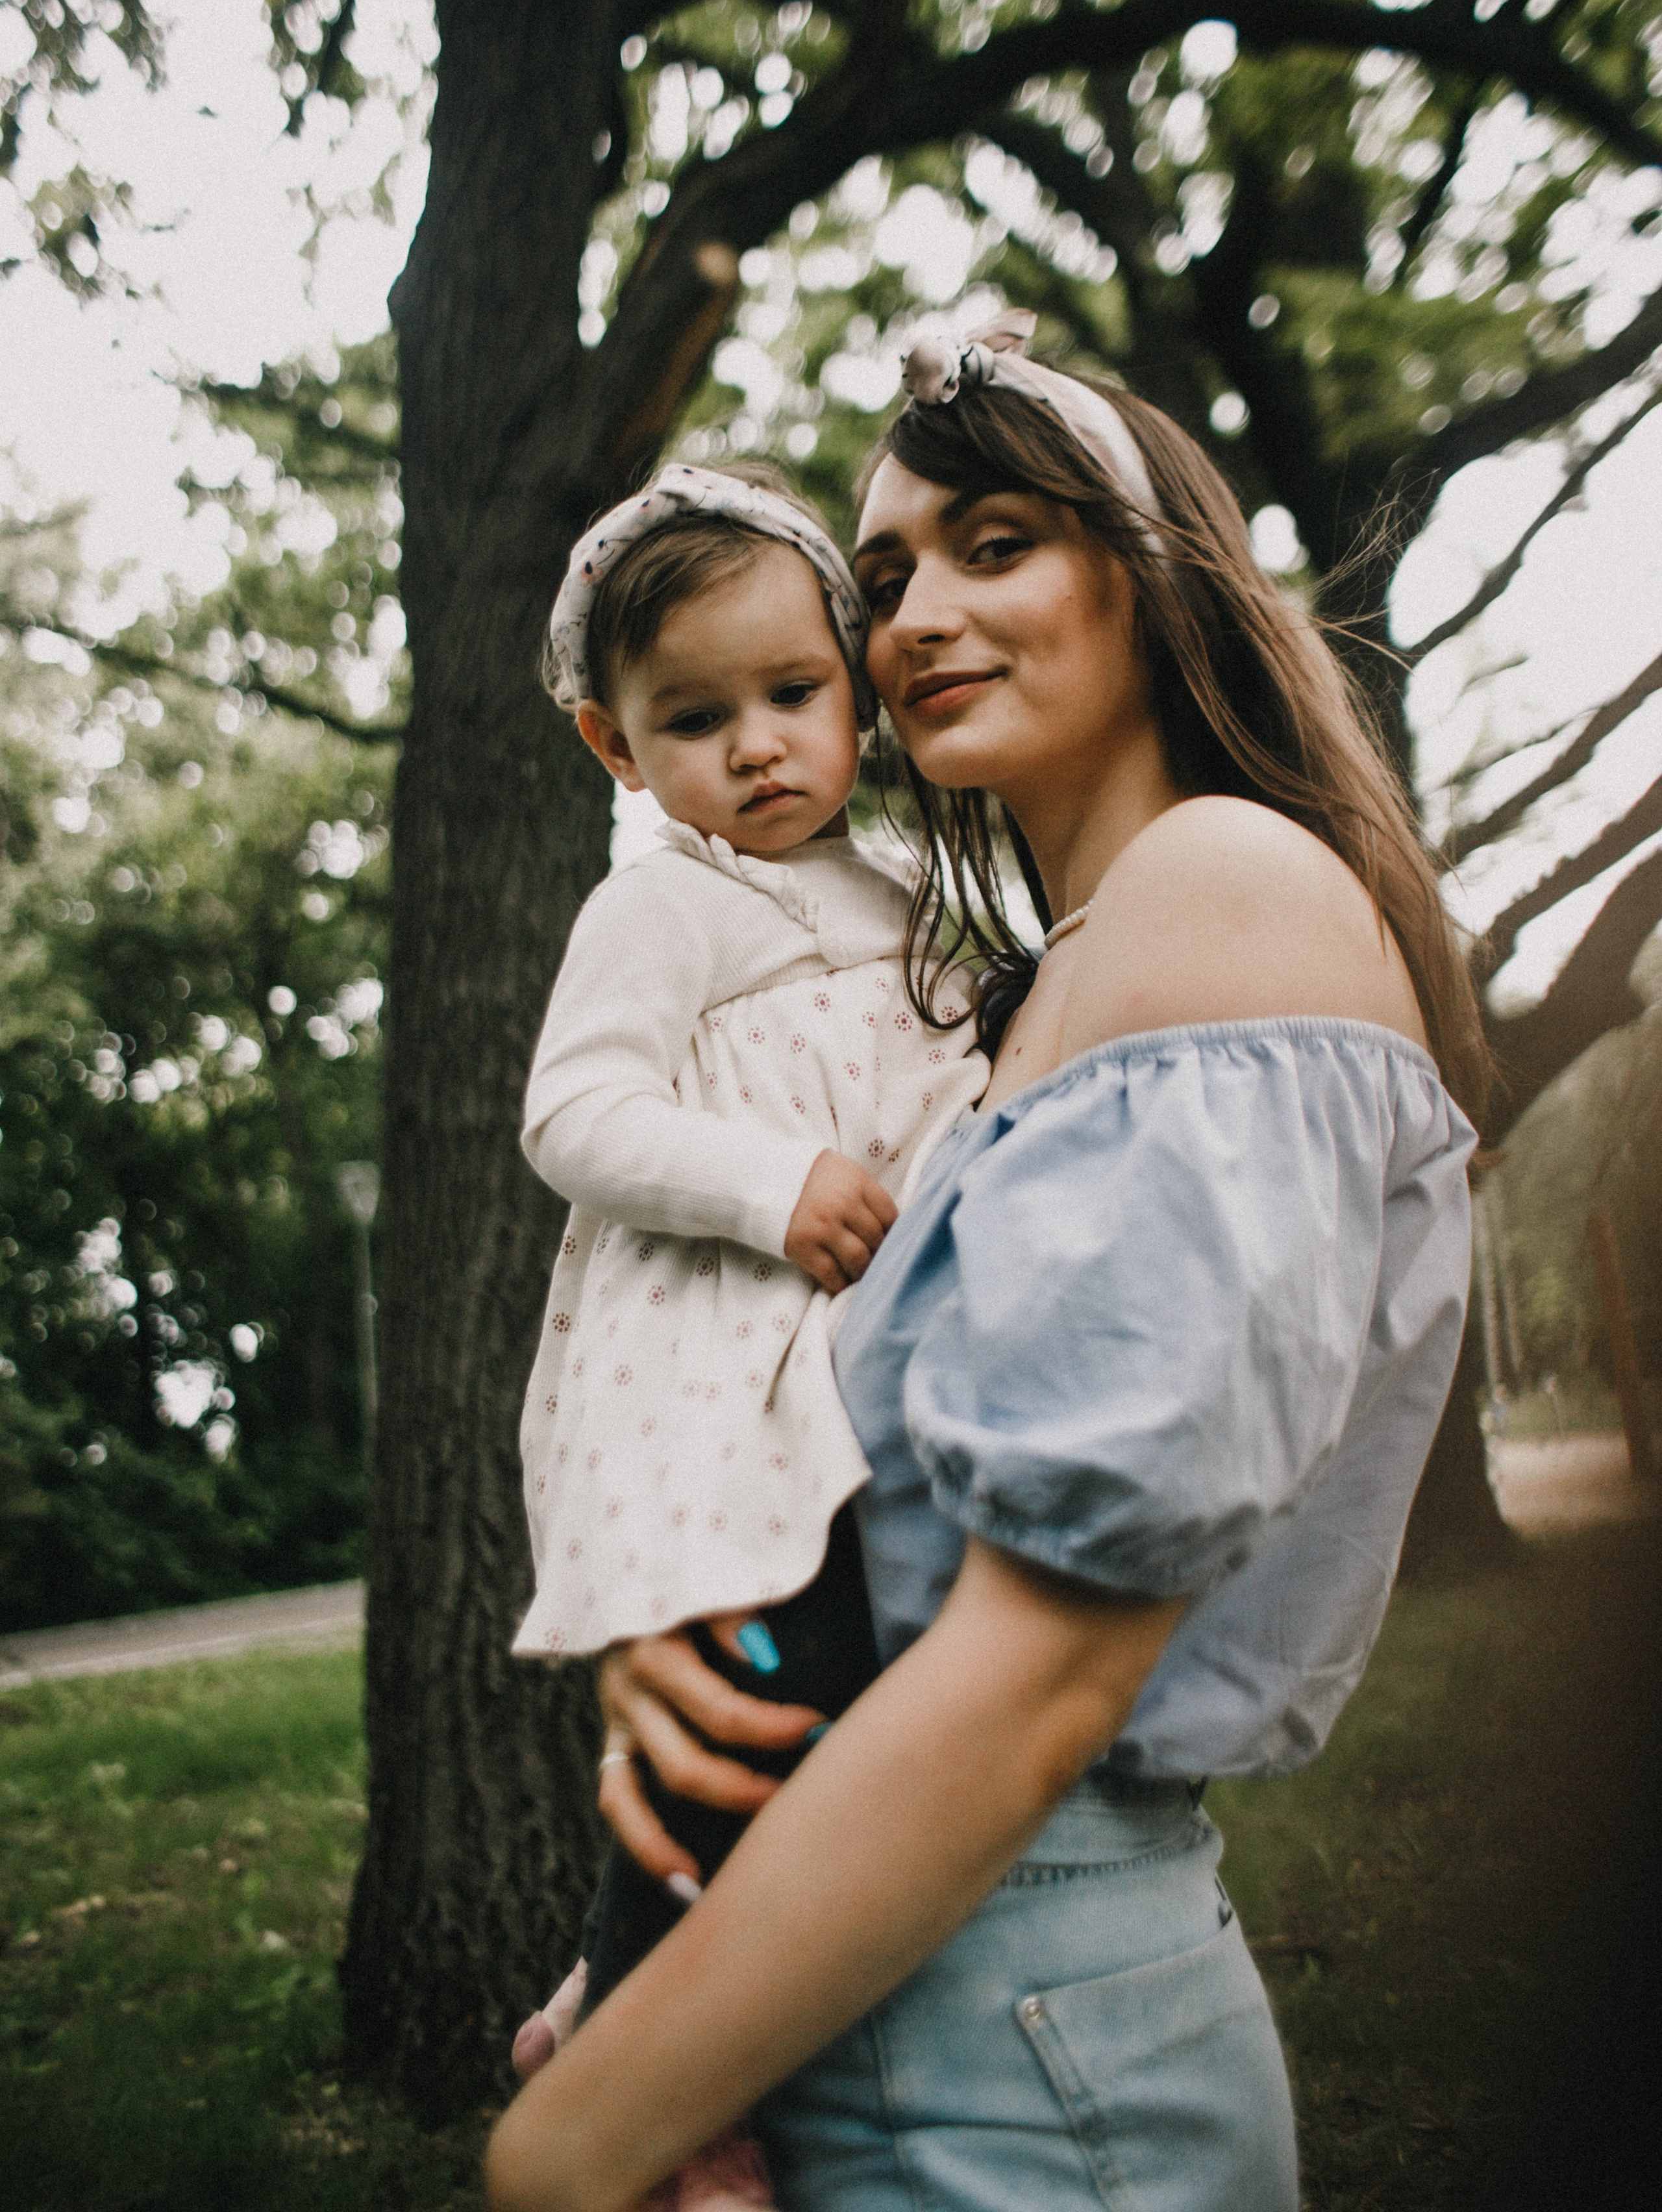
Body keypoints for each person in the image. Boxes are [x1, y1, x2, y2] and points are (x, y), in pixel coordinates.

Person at [486, 316, 1483, 2212]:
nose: (915, 613)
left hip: (1024, 2071)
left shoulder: (1221, 893)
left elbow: (1034, 1681)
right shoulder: (1029, 988)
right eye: (881, 579)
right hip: (870, 1986)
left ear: (1151, 569)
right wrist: (696, 1631)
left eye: (996, 542)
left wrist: (565, 2149)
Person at [508, 461, 987, 2202]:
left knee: (829, 1685)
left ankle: (611, 2003)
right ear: (615, 751)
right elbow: (575, 1114)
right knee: (756, 1682)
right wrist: (765, 1176)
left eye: (794, 695)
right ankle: (654, 2060)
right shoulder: (665, 906)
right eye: (695, 719)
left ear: (854, 686)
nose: (761, 747)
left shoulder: (910, 887)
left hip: (827, 1362)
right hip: (702, 1362)